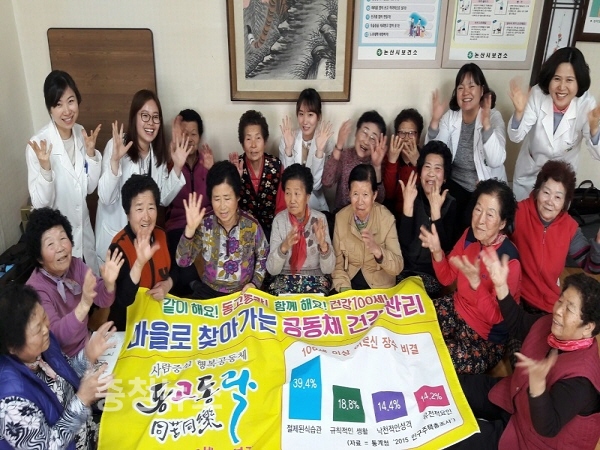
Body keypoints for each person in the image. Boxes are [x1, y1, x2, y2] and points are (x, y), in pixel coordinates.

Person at [450, 249, 600, 450]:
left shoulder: (581, 381)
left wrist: (537, 385)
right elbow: (519, 323)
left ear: (588, 327)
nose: (558, 311)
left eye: (569, 309)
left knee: (453, 438)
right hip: (513, 397)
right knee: (451, 387)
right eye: (560, 301)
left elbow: (547, 426)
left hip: (533, 440)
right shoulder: (549, 323)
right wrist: (501, 286)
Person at [420, 179, 520, 374]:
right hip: (457, 308)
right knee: (414, 321)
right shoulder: (469, 236)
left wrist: (476, 284)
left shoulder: (509, 261)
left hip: (485, 338)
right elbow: (447, 278)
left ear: (502, 223)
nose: (480, 220)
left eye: (490, 214)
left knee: (433, 359)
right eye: (478, 209)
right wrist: (437, 252)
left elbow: (497, 318)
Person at [0, 284, 115, 450]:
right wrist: (82, 400)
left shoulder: (43, 346)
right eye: (37, 329)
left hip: (87, 433)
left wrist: (88, 355)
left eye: (44, 317)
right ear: (12, 346)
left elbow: (66, 373)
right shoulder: (10, 401)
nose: (46, 329)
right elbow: (49, 446)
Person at [95, 89, 190, 265]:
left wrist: (177, 166)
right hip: (114, 237)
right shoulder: (117, 146)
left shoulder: (157, 153)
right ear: (134, 117)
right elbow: (105, 198)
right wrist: (115, 161)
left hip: (141, 239)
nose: (150, 123)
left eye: (155, 117)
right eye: (144, 116)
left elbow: (162, 198)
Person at [26, 70, 102, 274]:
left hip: (84, 235)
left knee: (90, 285)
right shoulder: (38, 144)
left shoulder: (80, 132)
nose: (67, 111)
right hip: (58, 243)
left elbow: (89, 188)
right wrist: (45, 168)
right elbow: (41, 205)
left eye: (71, 101)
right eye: (58, 104)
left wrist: (91, 154)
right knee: (67, 290)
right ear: (50, 109)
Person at [24, 208, 122, 357]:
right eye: (50, 244)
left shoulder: (76, 265)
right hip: (63, 360)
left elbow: (102, 299)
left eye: (63, 238)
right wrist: (84, 304)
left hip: (88, 344)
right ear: (39, 257)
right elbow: (56, 338)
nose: (60, 248)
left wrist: (108, 283)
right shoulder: (35, 290)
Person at [508, 47, 600, 200]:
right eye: (557, 78)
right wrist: (519, 112)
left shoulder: (586, 104)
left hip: (561, 180)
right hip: (531, 172)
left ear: (579, 82)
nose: (562, 87)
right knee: (523, 212)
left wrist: (594, 129)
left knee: (554, 213)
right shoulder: (537, 94)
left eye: (569, 80)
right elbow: (515, 136)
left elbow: (598, 154)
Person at [427, 63, 507, 234]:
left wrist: (486, 126)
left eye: (471, 86)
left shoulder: (494, 117)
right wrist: (434, 122)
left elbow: (496, 160)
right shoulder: (451, 117)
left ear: (482, 90)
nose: (465, 92)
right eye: (460, 87)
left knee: (475, 224)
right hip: (456, 187)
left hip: (484, 188)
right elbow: (437, 153)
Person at [511, 160, 600, 313]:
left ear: (565, 202)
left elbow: (591, 267)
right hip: (515, 296)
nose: (550, 202)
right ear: (537, 191)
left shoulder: (570, 228)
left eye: (558, 197)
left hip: (548, 303)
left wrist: (598, 244)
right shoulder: (518, 212)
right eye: (546, 193)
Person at [176, 161, 269, 299]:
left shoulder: (251, 225)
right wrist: (189, 230)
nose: (222, 206)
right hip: (209, 291)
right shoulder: (204, 224)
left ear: (237, 197)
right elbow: (183, 262)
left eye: (227, 198)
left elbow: (263, 255)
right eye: (217, 199)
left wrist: (255, 283)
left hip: (242, 292)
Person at [108, 175, 175, 331]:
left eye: (151, 208)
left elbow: (177, 270)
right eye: (139, 209)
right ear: (128, 213)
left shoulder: (162, 235)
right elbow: (122, 300)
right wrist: (139, 264)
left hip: (160, 320)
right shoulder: (118, 247)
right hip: (130, 326)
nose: (146, 217)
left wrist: (168, 284)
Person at [398, 141, 457, 298]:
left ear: (444, 177)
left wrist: (436, 214)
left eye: (437, 168)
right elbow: (403, 243)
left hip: (431, 275)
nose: (431, 173)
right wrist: (407, 207)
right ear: (420, 172)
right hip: (405, 270)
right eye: (427, 167)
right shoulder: (412, 194)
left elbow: (446, 248)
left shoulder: (450, 203)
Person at [165, 109, 214, 297]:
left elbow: (219, 199)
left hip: (206, 224)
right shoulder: (170, 165)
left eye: (193, 134)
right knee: (180, 254)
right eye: (185, 134)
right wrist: (176, 165)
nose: (189, 139)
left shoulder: (207, 161)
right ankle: (195, 287)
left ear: (200, 137)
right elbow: (164, 199)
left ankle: (198, 287)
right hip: (178, 225)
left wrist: (212, 170)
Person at [332, 164, 403, 292]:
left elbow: (398, 266)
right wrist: (345, 291)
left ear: (374, 195)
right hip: (350, 281)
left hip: (379, 286)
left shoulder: (386, 218)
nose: (360, 202)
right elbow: (337, 265)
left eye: (365, 194)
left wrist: (378, 252)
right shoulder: (341, 218)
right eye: (355, 194)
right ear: (349, 193)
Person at [267, 164, 334, 295]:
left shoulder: (319, 219)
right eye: (288, 193)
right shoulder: (279, 221)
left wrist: (323, 246)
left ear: (307, 196)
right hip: (284, 278)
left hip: (315, 278)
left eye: (297, 193)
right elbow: (272, 270)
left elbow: (328, 269)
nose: (292, 200)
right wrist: (284, 246)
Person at [228, 110, 286, 239]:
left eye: (258, 138)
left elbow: (282, 208)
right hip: (243, 231)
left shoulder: (276, 166)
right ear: (242, 143)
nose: (253, 145)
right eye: (248, 139)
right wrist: (235, 180)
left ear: (265, 141)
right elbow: (229, 206)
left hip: (272, 230)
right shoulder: (236, 166)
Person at [279, 88, 334, 212]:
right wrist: (288, 149)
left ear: (318, 116)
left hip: (316, 206)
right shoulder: (287, 138)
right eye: (301, 114)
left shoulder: (326, 142)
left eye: (310, 115)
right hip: (292, 204)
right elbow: (288, 181)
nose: (305, 121)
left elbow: (316, 185)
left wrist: (319, 151)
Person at [322, 110, 387, 212]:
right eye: (364, 133)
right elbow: (327, 182)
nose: (366, 141)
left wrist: (377, 166)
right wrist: (339, 145)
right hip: (342, 214)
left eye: (373, 138)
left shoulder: (379, 161)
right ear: (356, 132)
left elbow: (379, 199)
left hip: (367, 217)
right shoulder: (345, 155)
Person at [383, 108, 424, 218]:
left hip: (418, 215)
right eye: (402, 133)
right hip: (394, 215)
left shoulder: (425, 159)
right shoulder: (389, 157)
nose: (406, 138)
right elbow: (388, 195)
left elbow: (426, 194)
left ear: (418, 137)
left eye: (411, 133)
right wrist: (392, 162)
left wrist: (418, 164)